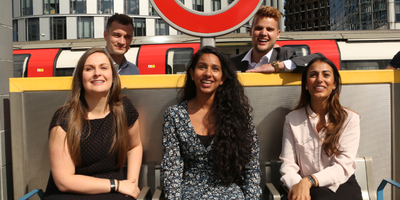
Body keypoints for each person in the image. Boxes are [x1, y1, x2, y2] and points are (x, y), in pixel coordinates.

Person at [161, 46, 261, 199]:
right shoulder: (174, 115)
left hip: (230, 193)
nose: (208, 73)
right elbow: (171, 169)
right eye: (202, 67)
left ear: (222, 78)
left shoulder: (239, 115)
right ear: (192, 74)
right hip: (188, 193)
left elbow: (251, 167)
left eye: (215, 69)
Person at [44, 48, 143, 199]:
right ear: (80, 78)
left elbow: (134, 146)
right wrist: (116, 185)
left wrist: (132, 183)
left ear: (113, 76)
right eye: (89, 69)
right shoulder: (64, 119)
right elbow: (64, 181)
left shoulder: (124, 109)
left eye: (104, 67)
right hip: (70, 193)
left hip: (113, 191)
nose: (97, 73)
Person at [279, 57, 362, 200]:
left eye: (326, 74)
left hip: (342, 183)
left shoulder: (350, 119)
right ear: (306, 84)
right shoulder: (292, 119)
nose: (319, 79)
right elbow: (288, 164)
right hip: (305, 186)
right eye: (313, 75)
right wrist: (298, 186)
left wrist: (310, 180)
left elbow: (342, 166)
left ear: (334, 84)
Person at [231, 6, 324, 73]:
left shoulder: (286, 55)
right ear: (251, 31)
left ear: (278, 34)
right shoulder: (233, 62)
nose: (263, 33)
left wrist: (276, 66)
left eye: (269, 29)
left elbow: (320, 58)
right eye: (259, 28)